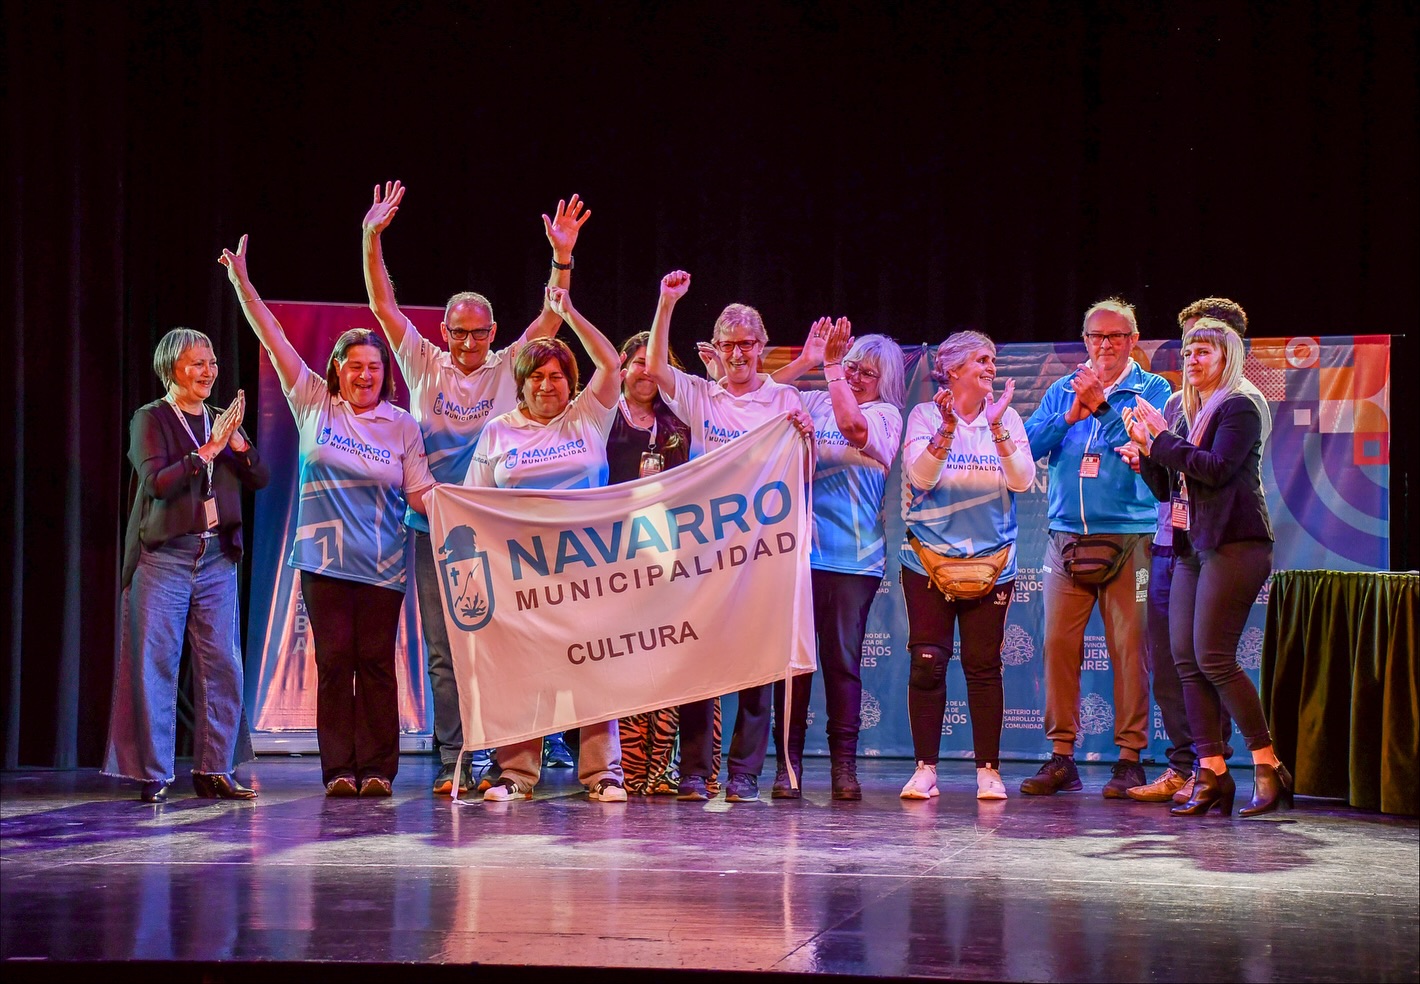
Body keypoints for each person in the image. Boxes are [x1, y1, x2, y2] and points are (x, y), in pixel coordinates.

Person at [361, 180, 590, 796]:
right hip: (432, 529)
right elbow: (383, 304)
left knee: (515, 645)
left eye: (479, 333)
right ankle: (456, 759)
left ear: (494, 332)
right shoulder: (422, 362)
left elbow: (553, 316)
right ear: (444, 330)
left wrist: (561, 256)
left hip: (503, 533)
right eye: (459, 332)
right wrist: (371, 237)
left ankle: (520, 750)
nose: (468, 343)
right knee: (445, 652)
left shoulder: (510, 366)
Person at [220, 235, 437, 798]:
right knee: (336, 662)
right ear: (337, 369)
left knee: (377, 663)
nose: (365, 375)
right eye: (355, 365)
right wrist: (243, 284)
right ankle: (339, 769)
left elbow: (421, 493)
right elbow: (273, 337)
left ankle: (379, 771)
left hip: (384, 563)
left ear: (386, 373)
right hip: (323, 561)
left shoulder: (402, 425)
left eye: (374, 367)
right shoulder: (314, 403)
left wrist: (476, 508)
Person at [643, 270, 808, 803]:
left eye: (746, 344)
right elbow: (654, 367)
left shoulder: (785, 400)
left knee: (758, 665)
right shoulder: (701, 396)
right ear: (715, 349)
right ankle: (694, 772)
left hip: (762, 552)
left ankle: (744, 775)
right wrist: (667, 302)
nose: (737, 354)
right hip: (705, 553)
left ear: (762, 347)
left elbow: (802, 475)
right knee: (699, 661)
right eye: (728, 344)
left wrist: (805, 441)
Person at [465, 285, 627, 803]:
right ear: (520, 384)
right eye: (536, 376)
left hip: (588, 569)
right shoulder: (498, 432)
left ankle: (603, 774)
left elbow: (611, 363)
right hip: (522, 574)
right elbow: (474, 504)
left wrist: (568, 311)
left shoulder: (588, 416)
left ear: (570, 382)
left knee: (594, 668)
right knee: (524, 673)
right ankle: (516, 774)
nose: (546, 385)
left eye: (556, 376)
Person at [1124, 319, 1288, 817]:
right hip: (1191, 543)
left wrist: (1160, 440)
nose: (1191, 360)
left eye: (1203, 352)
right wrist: (1146, 452)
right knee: (1185, 659)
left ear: (1226, 358)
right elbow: (1169, 488)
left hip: (1236, 543)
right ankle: (1212, 771)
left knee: (1214, 657)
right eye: (1188, 352)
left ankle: (1268, 764)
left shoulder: (1240, 405)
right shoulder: (1186, 410)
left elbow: (1215, 470)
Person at [104, 330, 270, 802]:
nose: (209, 371)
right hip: (165, 558)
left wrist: (237, 445)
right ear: (171, 368)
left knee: (223, 666)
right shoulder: (151, 418)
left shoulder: (220, 419)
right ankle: (153, 773)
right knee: (155, 664)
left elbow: (260, 477)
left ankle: (215, 770)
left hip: (216, 557)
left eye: (212, 362)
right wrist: (208, 451)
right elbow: (157, 482)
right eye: (198, 363)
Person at [1021, 299, 1173, 797]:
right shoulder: (1062, 388)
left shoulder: (1154, 390)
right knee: (1058, 647)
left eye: (1115, 336)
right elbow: (1027, 447)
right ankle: (1061, 756)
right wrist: (1068, 416)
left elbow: (1149, 448)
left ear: (1133, 340)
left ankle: (1129, 759)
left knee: (1130, 651)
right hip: (1066, 534)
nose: (1104, 345)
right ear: (1085, 341)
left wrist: (1102, 408)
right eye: (1095, 336)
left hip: (1130, 534)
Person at [897, 331, 1034, 801]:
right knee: (928, 662)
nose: (991, 367)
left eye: (993, 359)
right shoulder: (924, 415)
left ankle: (988, 771)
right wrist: (948, 427)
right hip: (928, 561)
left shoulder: (1007, 417)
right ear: (953, 370)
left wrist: (996, 429)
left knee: (983, 666)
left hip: (992, 563)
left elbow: (1023, 481)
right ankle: (925, 769)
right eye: (981, 360)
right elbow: (920, 477)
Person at [772, 320, 905, 800]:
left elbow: (853, 428)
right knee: (794, 666)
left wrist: (830, 369)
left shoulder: (886, 416)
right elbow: (760, 395)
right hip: (799, 556)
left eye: (868, 372)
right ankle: (787, 768)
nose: (855, 377)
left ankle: (844, 770)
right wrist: (808, 361)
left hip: (854, 560)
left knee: (842, 664)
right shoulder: (815, 401)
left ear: (886, 381)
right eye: (851, 367)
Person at [605, 330, 696, 795]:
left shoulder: (682, 418)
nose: (647, 371)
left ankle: (662, 766)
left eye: (655, 363)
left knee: (668, 658)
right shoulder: (602, 415)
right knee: (623, 660)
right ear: (621, 368)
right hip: (611, 557)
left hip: (668, 553)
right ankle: (626, 767)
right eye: (638, 361)